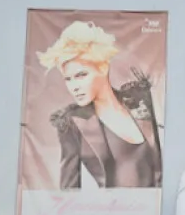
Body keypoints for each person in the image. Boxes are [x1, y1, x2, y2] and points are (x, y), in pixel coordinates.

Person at [37, 20, 162, 191]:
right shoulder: (72, 123)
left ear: (103, 67)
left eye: (81, 75)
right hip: (113, 207)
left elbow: (159, 166)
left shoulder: (139, 99)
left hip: (156, 206)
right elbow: (68, 191)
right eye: (68, 79)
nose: (74, 87)